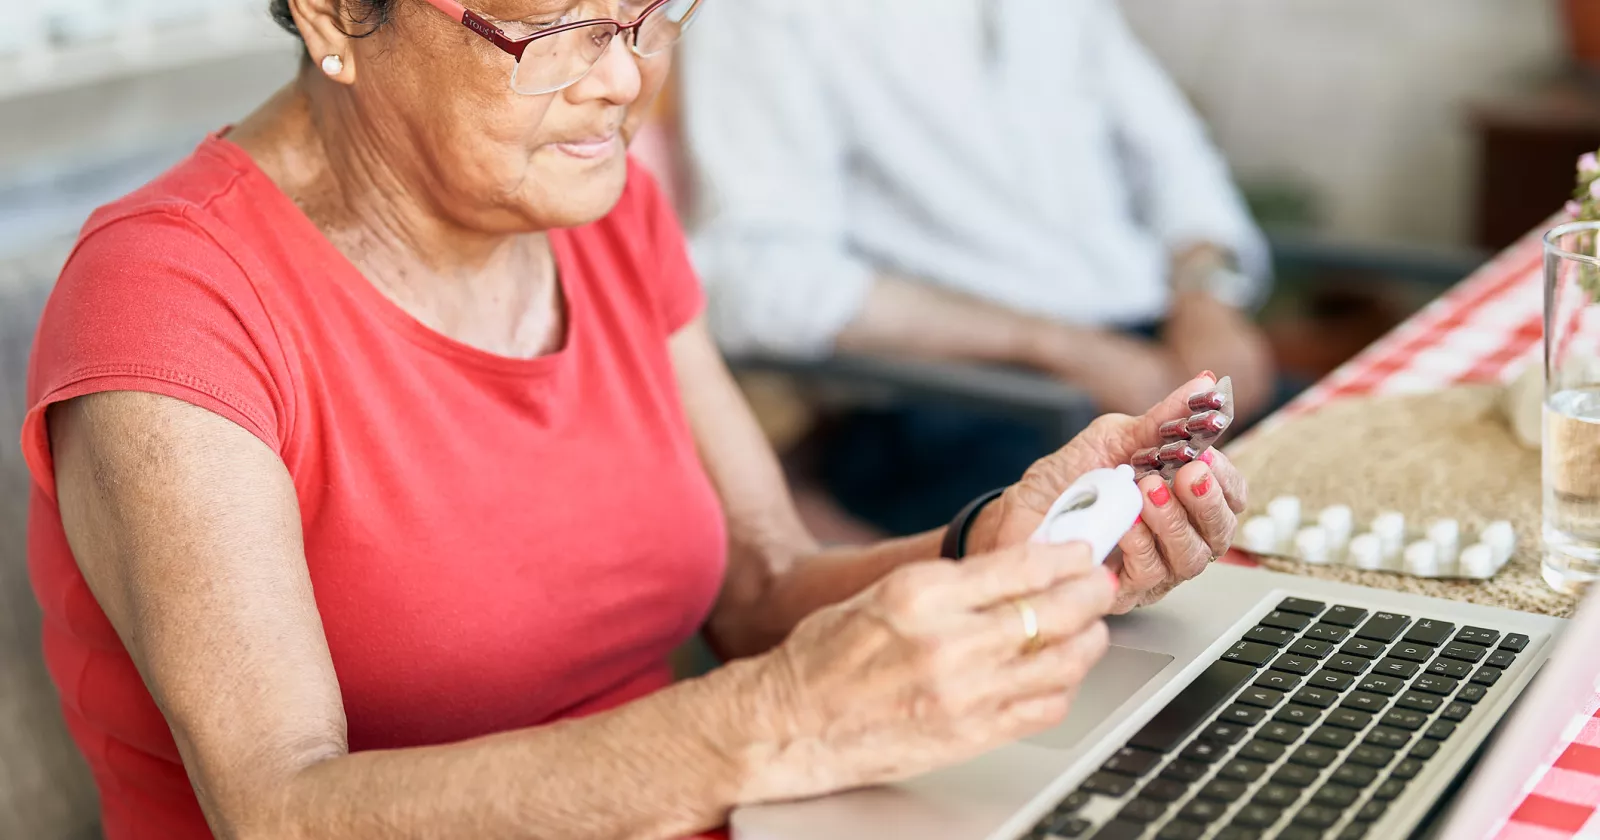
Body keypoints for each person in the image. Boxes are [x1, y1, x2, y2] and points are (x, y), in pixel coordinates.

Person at [22, 1, 1245, 838]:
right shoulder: (172, 294)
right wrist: (765, 723)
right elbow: (280, 810)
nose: (626, 77)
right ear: (340, 15)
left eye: (648, 12)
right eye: (558, 27)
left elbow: (761, 585)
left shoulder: (602, 210)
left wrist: (1000, 547)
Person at [681, 0, 1280, 534]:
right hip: (976, 402)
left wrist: (1207, 300)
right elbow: (754, 277)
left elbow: (1176, 161)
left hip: (1155, 353)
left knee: (1331, 504)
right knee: (1221, 572)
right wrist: (1053, 344)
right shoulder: (766, 14)